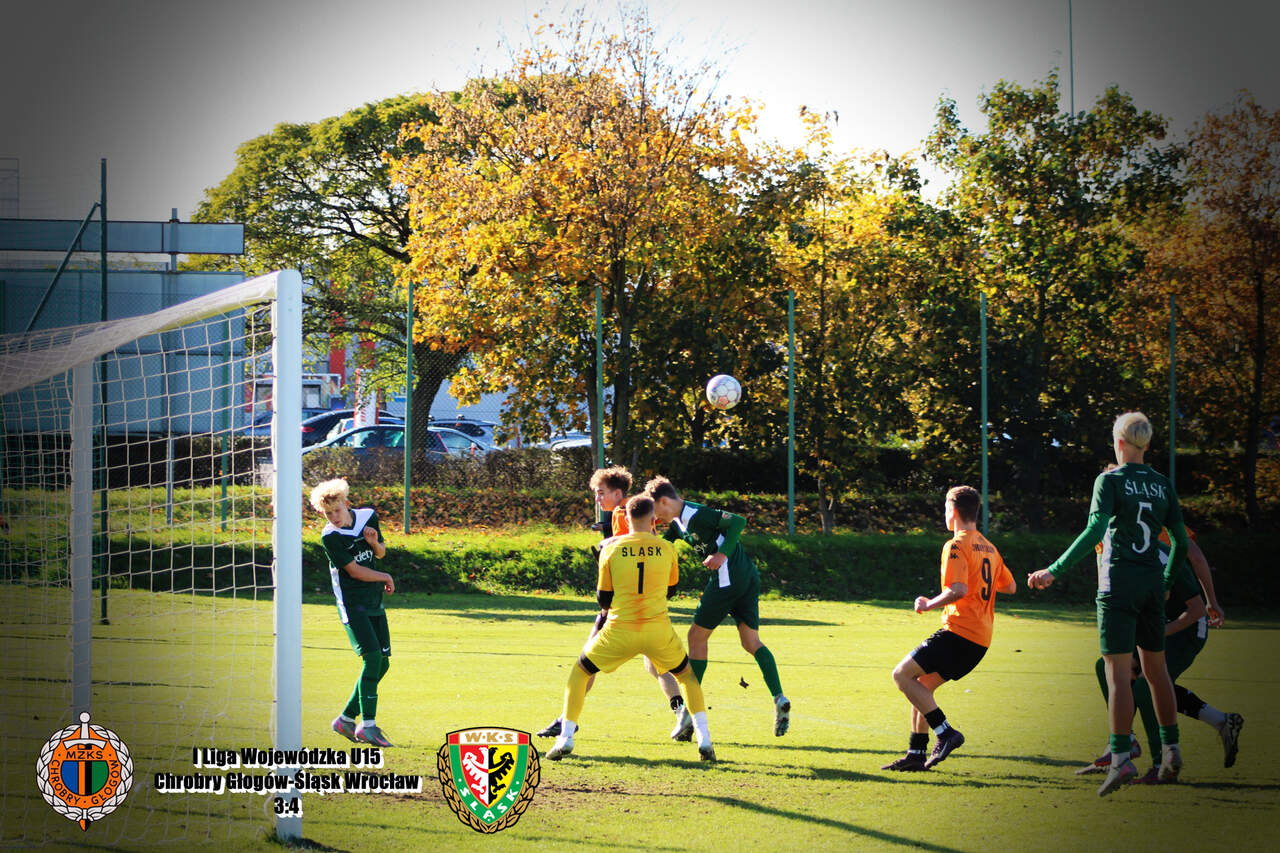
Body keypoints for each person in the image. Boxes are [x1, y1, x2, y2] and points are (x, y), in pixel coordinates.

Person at [1028, 412, 1190, 796]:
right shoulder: (1163, 484)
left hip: (1117, 586)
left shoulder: (1110, 480)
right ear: (1146, 443)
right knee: (1157, 672)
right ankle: (1171, 749)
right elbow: (1181, 543)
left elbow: (1095, 530)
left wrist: (1054, 569)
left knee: (1117, 675)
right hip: (1152, 585)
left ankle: (1120, 759)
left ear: (1118, 442)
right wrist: (1167, 582)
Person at [546, 495, 715, 762]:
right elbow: (671, 590)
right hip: (657, 630)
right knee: (686, 677)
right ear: (654, 520)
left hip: (620, 629)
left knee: (580, 673)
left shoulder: (611, 549)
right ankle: (704, 739)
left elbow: (603, 598)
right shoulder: (667, 548)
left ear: (626, 518)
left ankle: (565, 737)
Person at [537, 467, 689, 741]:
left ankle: (566, 721)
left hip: (622, 606)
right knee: (655, 664)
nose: (597, 499)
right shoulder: (635, 511)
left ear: (617, 493)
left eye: (601, 493)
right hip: (646, 606)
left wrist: (607, 543)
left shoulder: (623, 512)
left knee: (586, 663)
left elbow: (628, 547)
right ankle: (681, 712)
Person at [1077, 530, 1243, 780]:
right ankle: (1122, 745)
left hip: (1184, 626)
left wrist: (1211, 601)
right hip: (1151, 625)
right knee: (1107, 667)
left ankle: (1161, 764)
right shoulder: (1113, 540)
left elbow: (1196, 602)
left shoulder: (1160, 544)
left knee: (1147, 684)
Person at [882, 485, 1015, 771]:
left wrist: (928, 604)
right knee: (920, 688)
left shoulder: (956, 544)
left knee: (901, 675)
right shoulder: (990, 548)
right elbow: (1010, 586)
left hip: (959, 632)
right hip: (980, 640)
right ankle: (916, 754)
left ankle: (945, 733)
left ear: (953, 511)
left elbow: (958, 589)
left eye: (944, 508)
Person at [644, 476, 790, 736]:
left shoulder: (697, 514)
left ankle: (689, 713)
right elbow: (664, 545)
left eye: (656, 510)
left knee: (696, 637)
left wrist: (721, 555)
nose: (657, 516)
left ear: (664, 501)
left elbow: (738, 521)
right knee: (751, 642)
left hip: (728, 578)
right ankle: (779, 698)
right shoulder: (677, 523)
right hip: (745, 576)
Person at [310, 478, 396, 748]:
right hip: (351, 604)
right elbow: (355, 571)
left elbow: (380, 553)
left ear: (346, 504)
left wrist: (374, 543)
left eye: (336, 510)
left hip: (373, 600)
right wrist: (385, 576)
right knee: (372, 659)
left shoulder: (368, 516)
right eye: (327, 514)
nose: (333, 517)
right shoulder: (330, 537)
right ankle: (368, 726)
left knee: (383, 663)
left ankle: (345, 719)